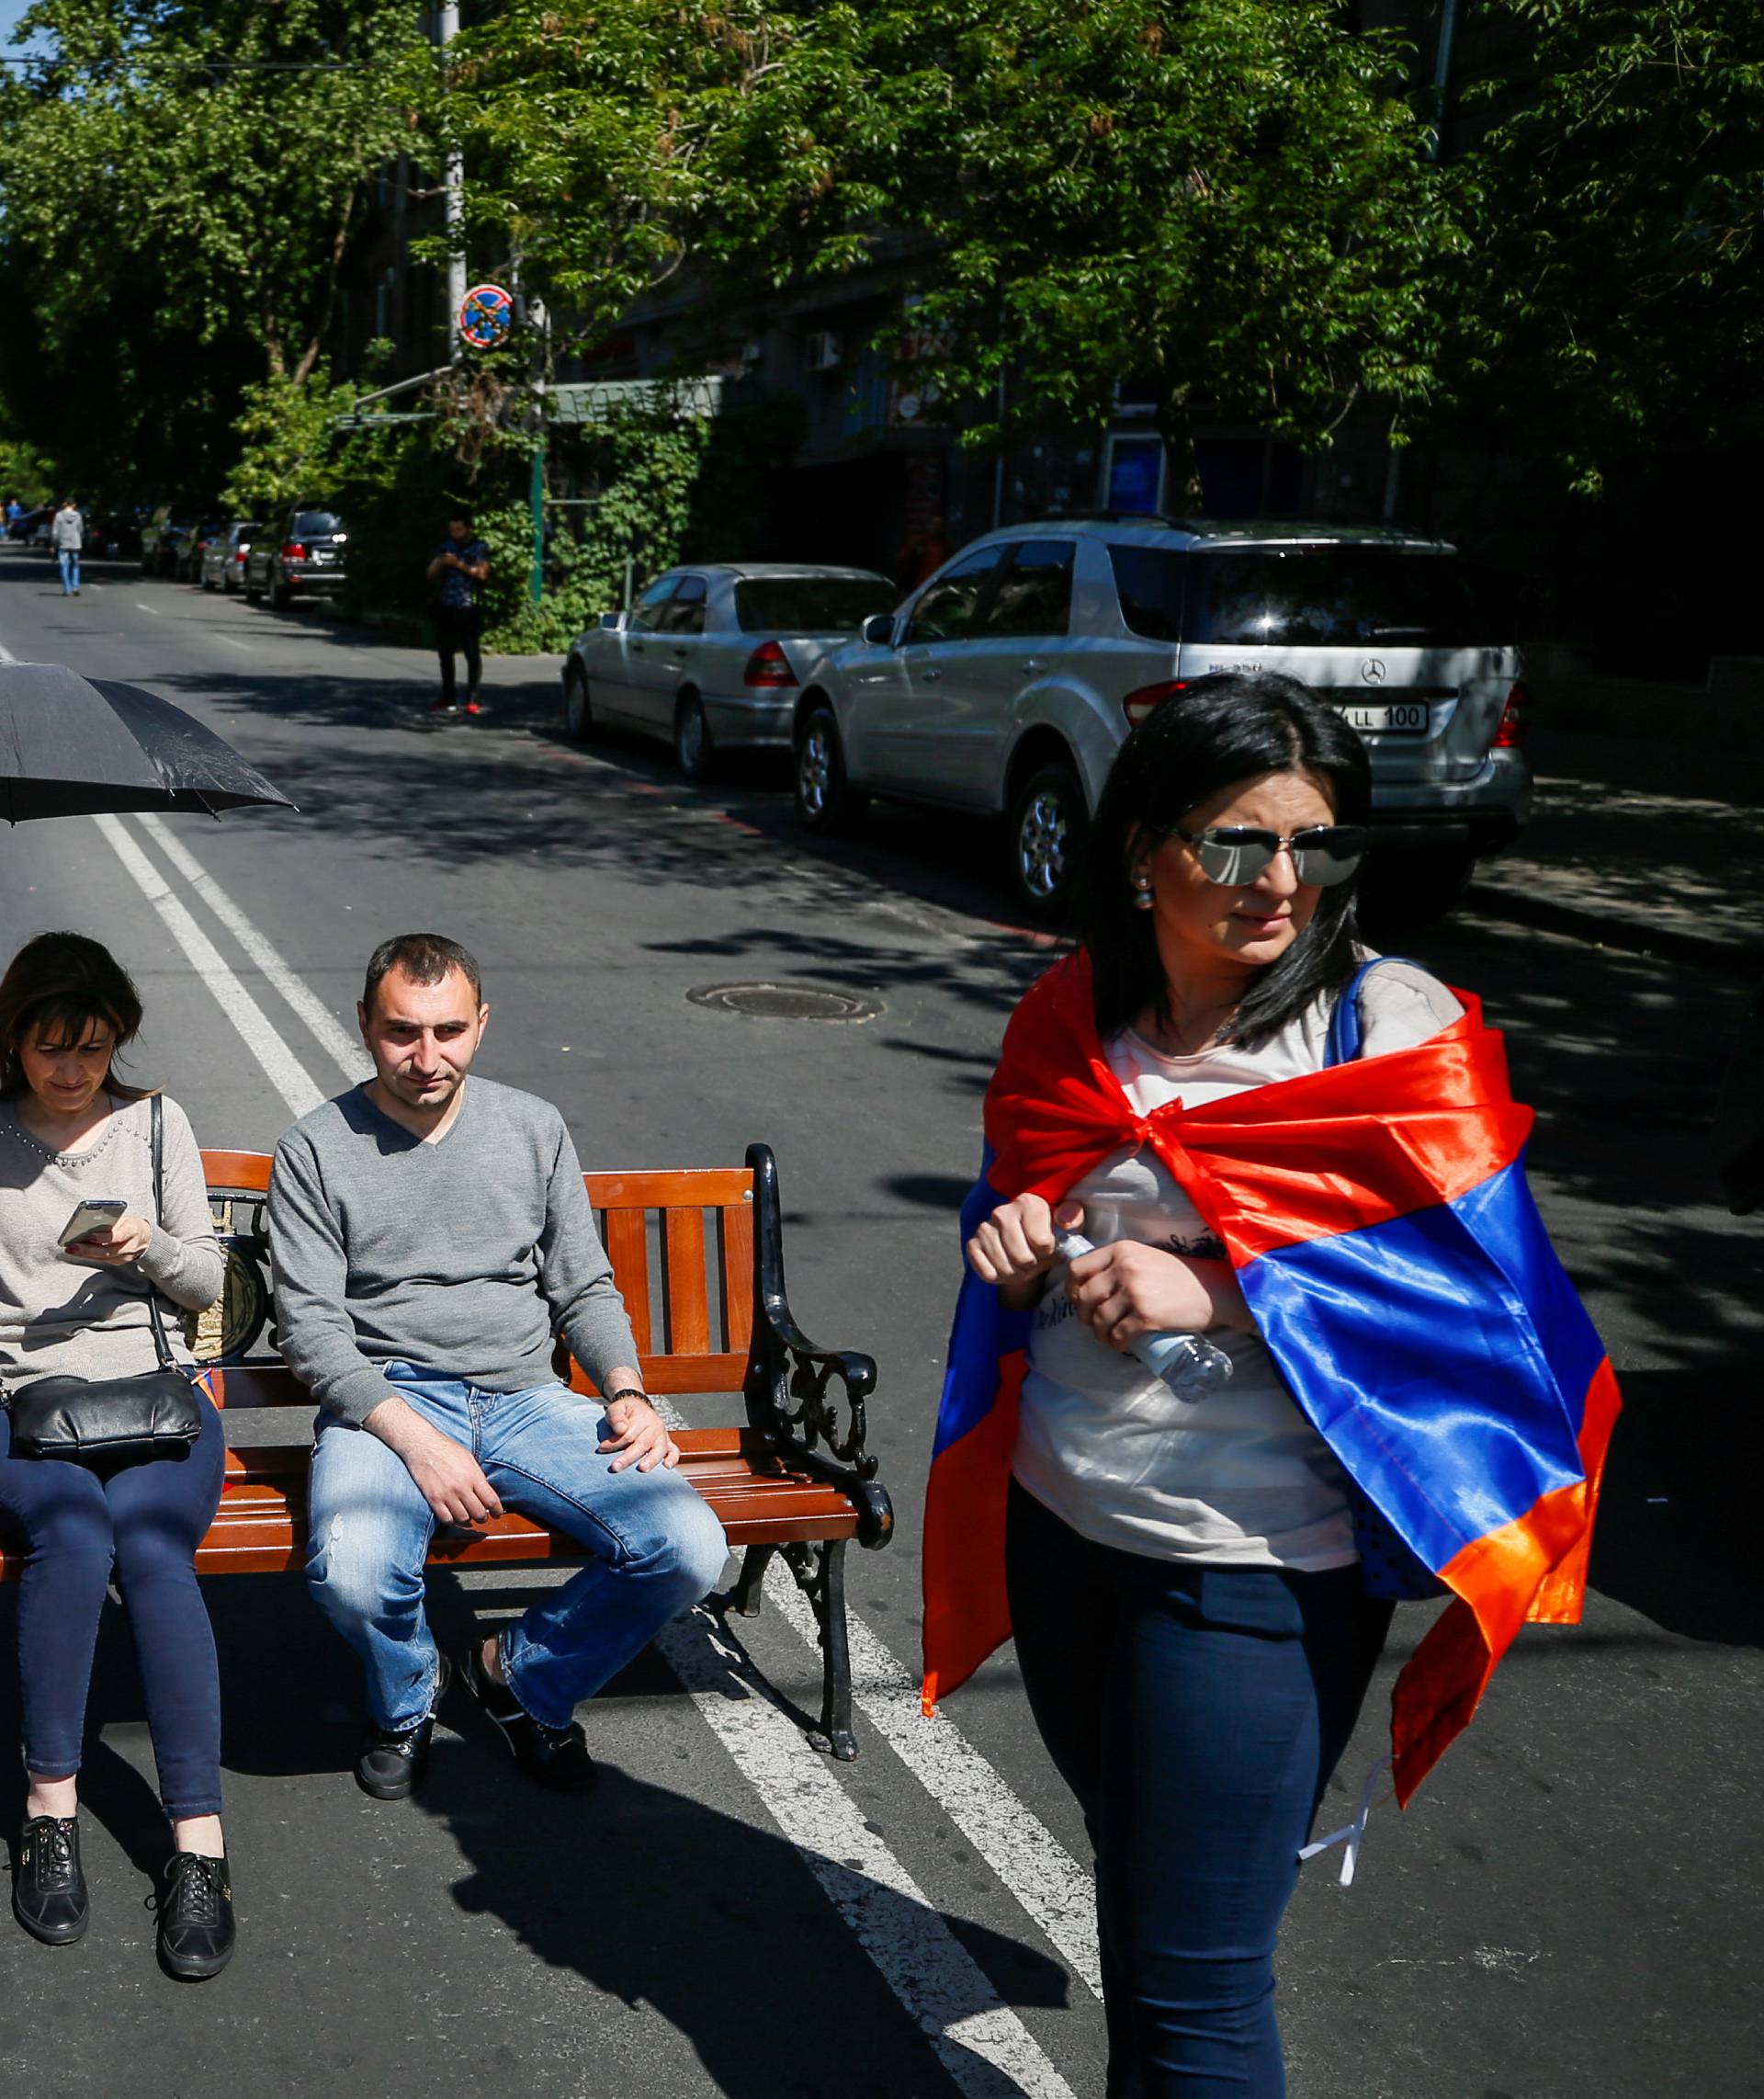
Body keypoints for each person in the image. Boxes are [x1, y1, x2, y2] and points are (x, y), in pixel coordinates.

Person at [922, 673, 1617, 2095]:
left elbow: (1490, 1309)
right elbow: (1031, 1185)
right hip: (1063, 1535)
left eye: (1319, 844)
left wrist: (1227, 1289)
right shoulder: (1072, 1016)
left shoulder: (1386, 1029)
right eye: (1239, 843)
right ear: (1140, 852)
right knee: (1146, 1915)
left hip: (1250, 1576)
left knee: (1194, 2000)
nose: (1283, 882)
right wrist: (1016, 1244)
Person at [268, 933, 728, 1800]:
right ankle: (406, 1698)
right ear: (363, 1024)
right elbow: (314, 1333)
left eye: (448, 1031)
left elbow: (583, 1285)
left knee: (687, 1546)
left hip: (524, 1397)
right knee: (354, 1569)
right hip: (388, 1402)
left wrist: (627, 1391)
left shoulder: (531, 1127)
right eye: (402, 1031)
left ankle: (519, 1676)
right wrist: (419, 1443)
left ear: (482, 1023)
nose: (426, 1057)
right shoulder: (315, 1149)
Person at [0, 933, 235, 1980]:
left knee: (147, 1544)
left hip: (154, 1393)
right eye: (49, 1047)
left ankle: (199, 1848)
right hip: (17, 1397)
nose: (69, 1070)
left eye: (90, 1048)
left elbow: (210, 1283)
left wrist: (145, 1244)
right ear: (13, 1040)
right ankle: (51, 1810)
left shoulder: (156, 1122)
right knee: (72, 1527)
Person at [425, 515, 491, 719]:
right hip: (447, 605)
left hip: (469, 605)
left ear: (468, 529)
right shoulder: (446, 547)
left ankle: (472, 697)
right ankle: (448, 696)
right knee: (445, 653)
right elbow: (430, 575)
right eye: (452, 530)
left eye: (459, 530)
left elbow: (482, 574)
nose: (455, 534)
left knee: (471, 652)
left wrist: (459, 564)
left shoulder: (479, 547)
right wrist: (439, 562)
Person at [893, 514, 954, 594]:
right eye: (935, 524)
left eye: (940, 525)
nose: (937, 527)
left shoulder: (947, 546)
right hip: (919, 586)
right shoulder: (920, 543)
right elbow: (901, 558)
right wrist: (915, 555)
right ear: (929, 526)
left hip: (937, 586)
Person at [51, 497, 83, 596]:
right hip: (75, 543)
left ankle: (67, 590)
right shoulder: (78, 516)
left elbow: (55, 532)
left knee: (64, 566)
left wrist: (53, 545)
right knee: (75, 565)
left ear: (65, 504)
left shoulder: (59, 515)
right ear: (74, 505)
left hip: (63, 543)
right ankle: (75, 587)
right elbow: (80, 530)